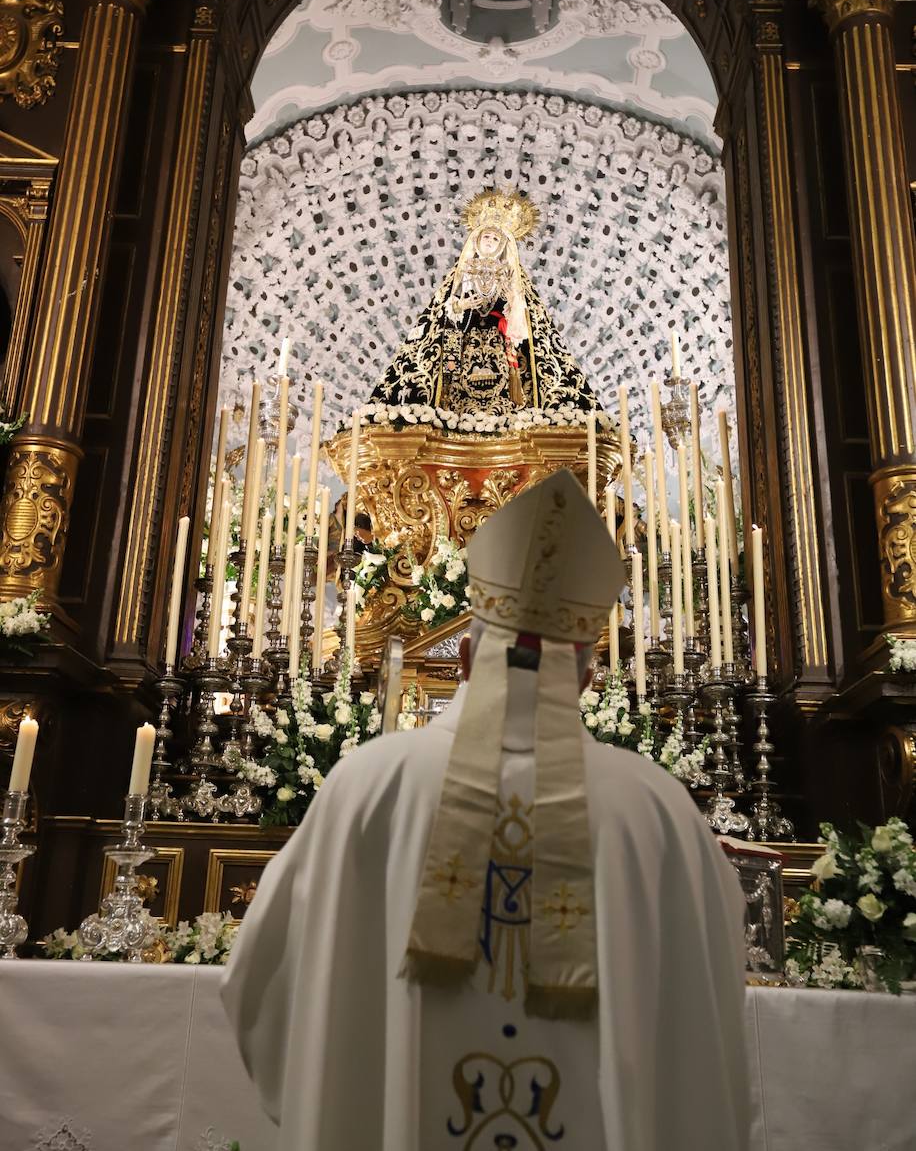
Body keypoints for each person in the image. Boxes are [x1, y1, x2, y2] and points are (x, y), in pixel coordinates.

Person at [222, 470, 750, 1150]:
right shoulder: (659, 812)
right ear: (588, 674)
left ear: (466, 656)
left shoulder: (365, 787)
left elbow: (260, 985)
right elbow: (708, 1009)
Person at [369, 187, 602, 419]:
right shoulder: (462, 273)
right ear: (477, 239)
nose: (490, 242)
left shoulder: (513, 277)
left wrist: (513, 306)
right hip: (464, 345)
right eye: (486, 237)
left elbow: (527, 321)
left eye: (495, 238)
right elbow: (444, 312)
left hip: (501, 346)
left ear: (503, 244)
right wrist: (463, 306)